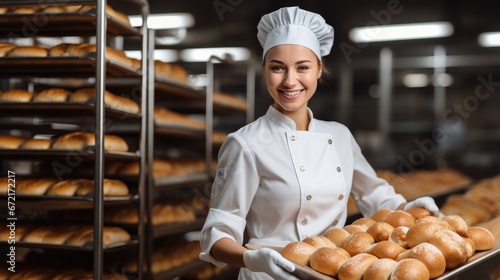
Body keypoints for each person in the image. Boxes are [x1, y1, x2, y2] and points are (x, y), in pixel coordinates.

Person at [199, 6, 440, 280]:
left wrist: (409, 207)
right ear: (264, 70)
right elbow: (216, 235)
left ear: (318, 69)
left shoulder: (339, 136)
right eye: (278, 67)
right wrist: (252, 259)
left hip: (332, 271)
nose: (290, 81)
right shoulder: (245, 143)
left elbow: (376, 197)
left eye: (302, 67)